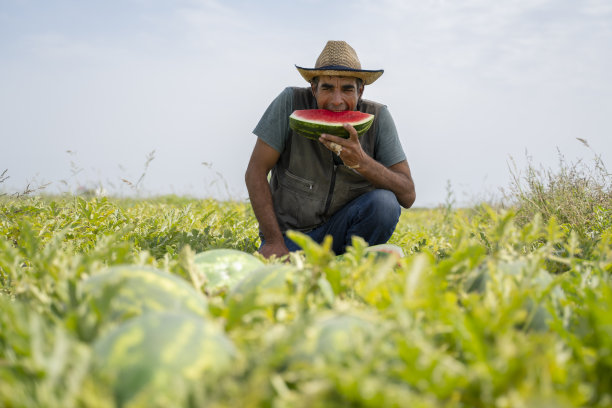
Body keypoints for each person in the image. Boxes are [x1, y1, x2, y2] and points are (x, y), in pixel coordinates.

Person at [245, 40, 415, 258]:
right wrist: (273, 242)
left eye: (347, 89)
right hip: (292, 240)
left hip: (344, 234)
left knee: (384, 204)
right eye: (327, 87)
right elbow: (255, 172)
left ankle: (350, 261)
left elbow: (407, 194)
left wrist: (363, 163)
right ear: (313, 88)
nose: (337, 101)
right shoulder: (289, 102)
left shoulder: (379, 117)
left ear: (360, 91)